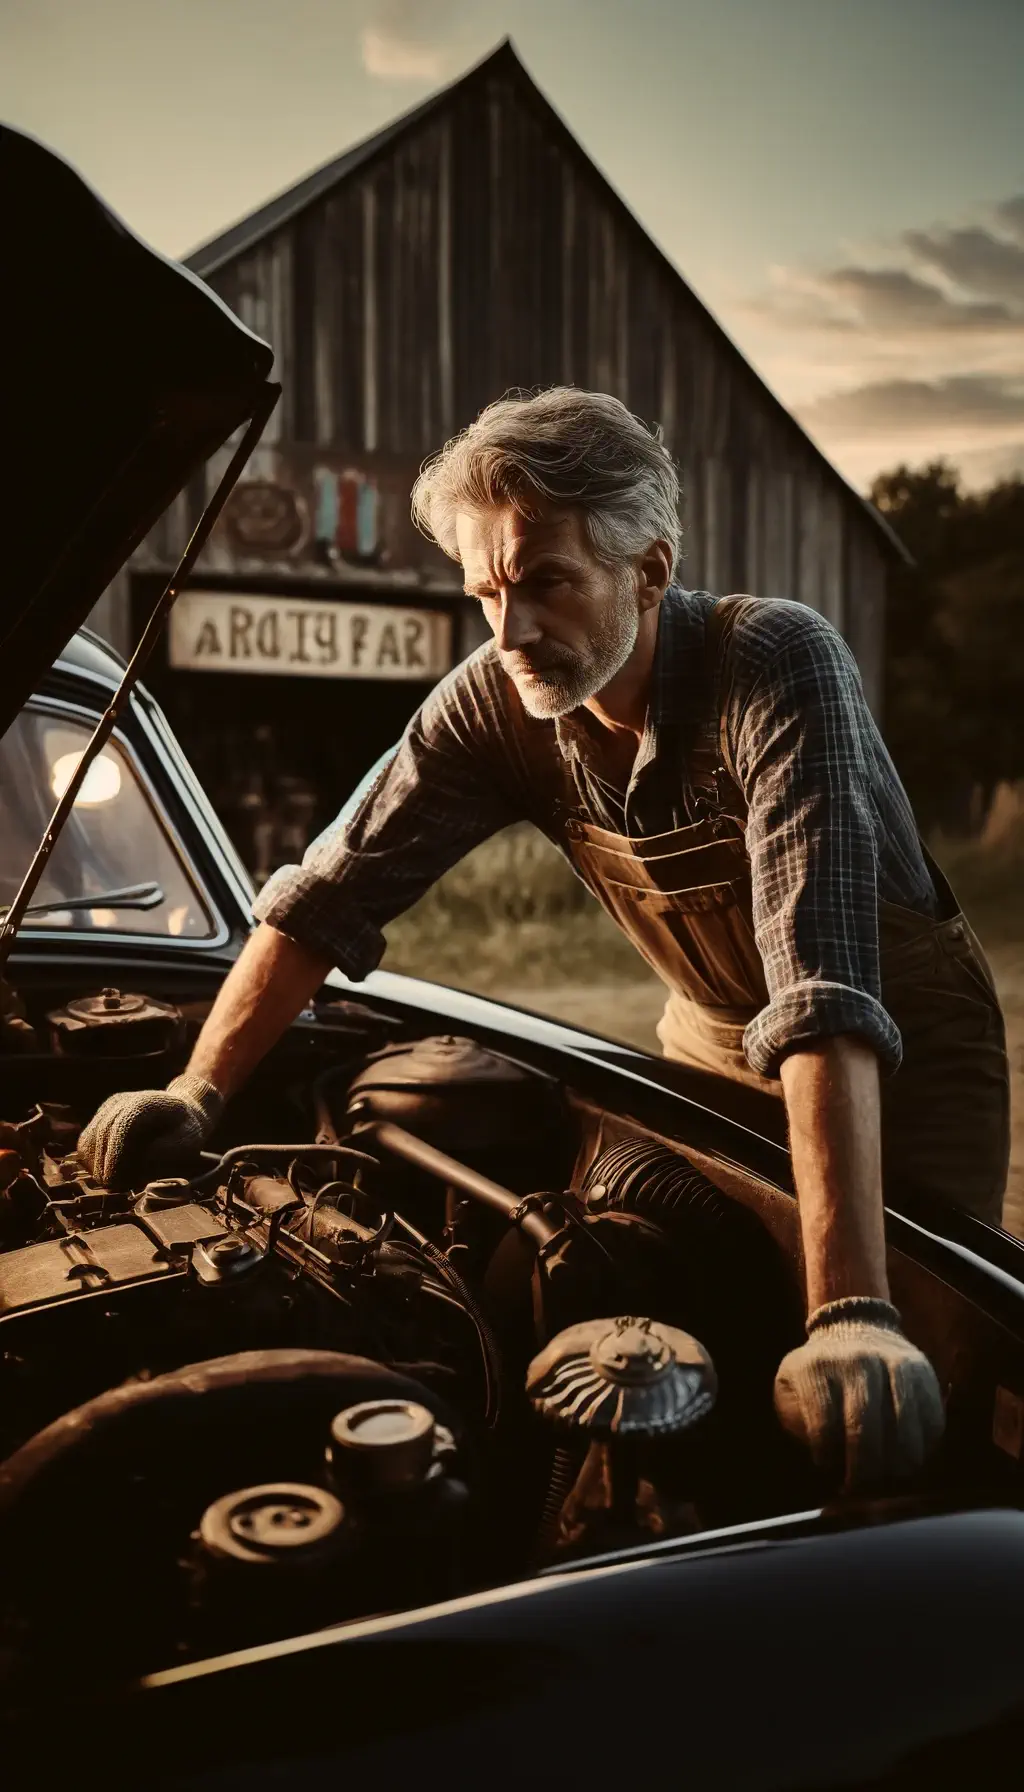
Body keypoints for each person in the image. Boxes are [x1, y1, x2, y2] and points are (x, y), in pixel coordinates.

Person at [80, 387, 1010, 1490]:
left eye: (545, 583)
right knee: (701, 1298)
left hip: (896, 1058)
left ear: (650, 571)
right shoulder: (493, 703)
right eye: (484, 591)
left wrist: (852, 1307)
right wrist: (198, 1090)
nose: (510, 629)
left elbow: (819, 987)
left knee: (895, 1401)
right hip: (711, 1038)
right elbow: (326, 894)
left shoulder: (776, 666)